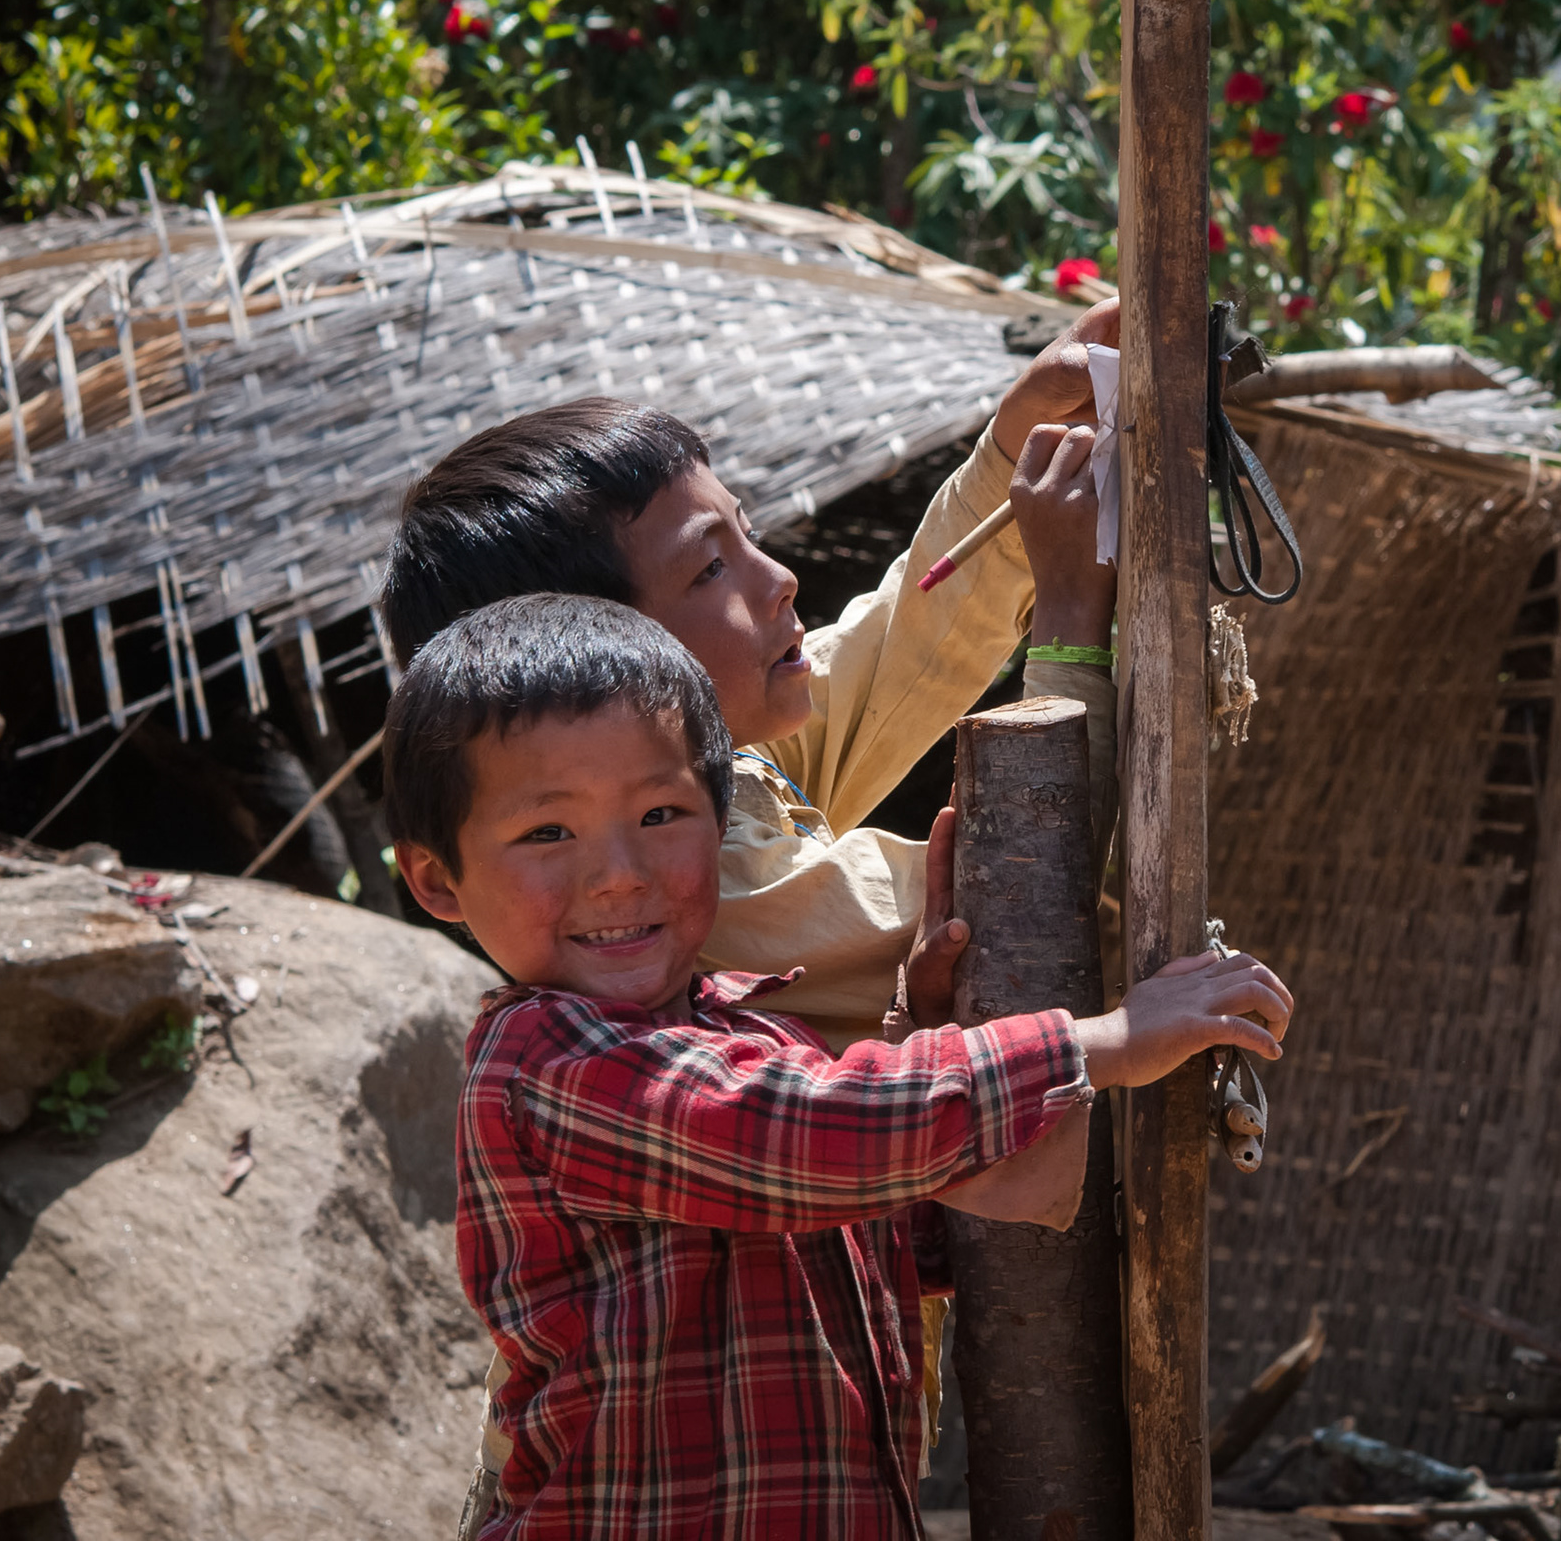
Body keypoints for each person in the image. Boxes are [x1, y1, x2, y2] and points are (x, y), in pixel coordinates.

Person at [387, 593, 1293, 1541]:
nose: (619, 873)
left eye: (661, 813)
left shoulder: (758, 1041)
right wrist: (1100, 1041)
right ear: (438, 879)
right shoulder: (543, 1060)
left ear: (723, 820)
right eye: (547, 833)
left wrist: (918, 1036)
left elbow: (879, 1223)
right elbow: (800, 1139)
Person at [380, 301, 1122, 1053]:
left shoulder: (728, 766)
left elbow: (903, 644)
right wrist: (1069, 621)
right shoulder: (694, 879)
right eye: (710, 568)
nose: (781, 579)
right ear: (600, 652)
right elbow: (1021, 902)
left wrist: (1011, 446)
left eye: (750, 535)